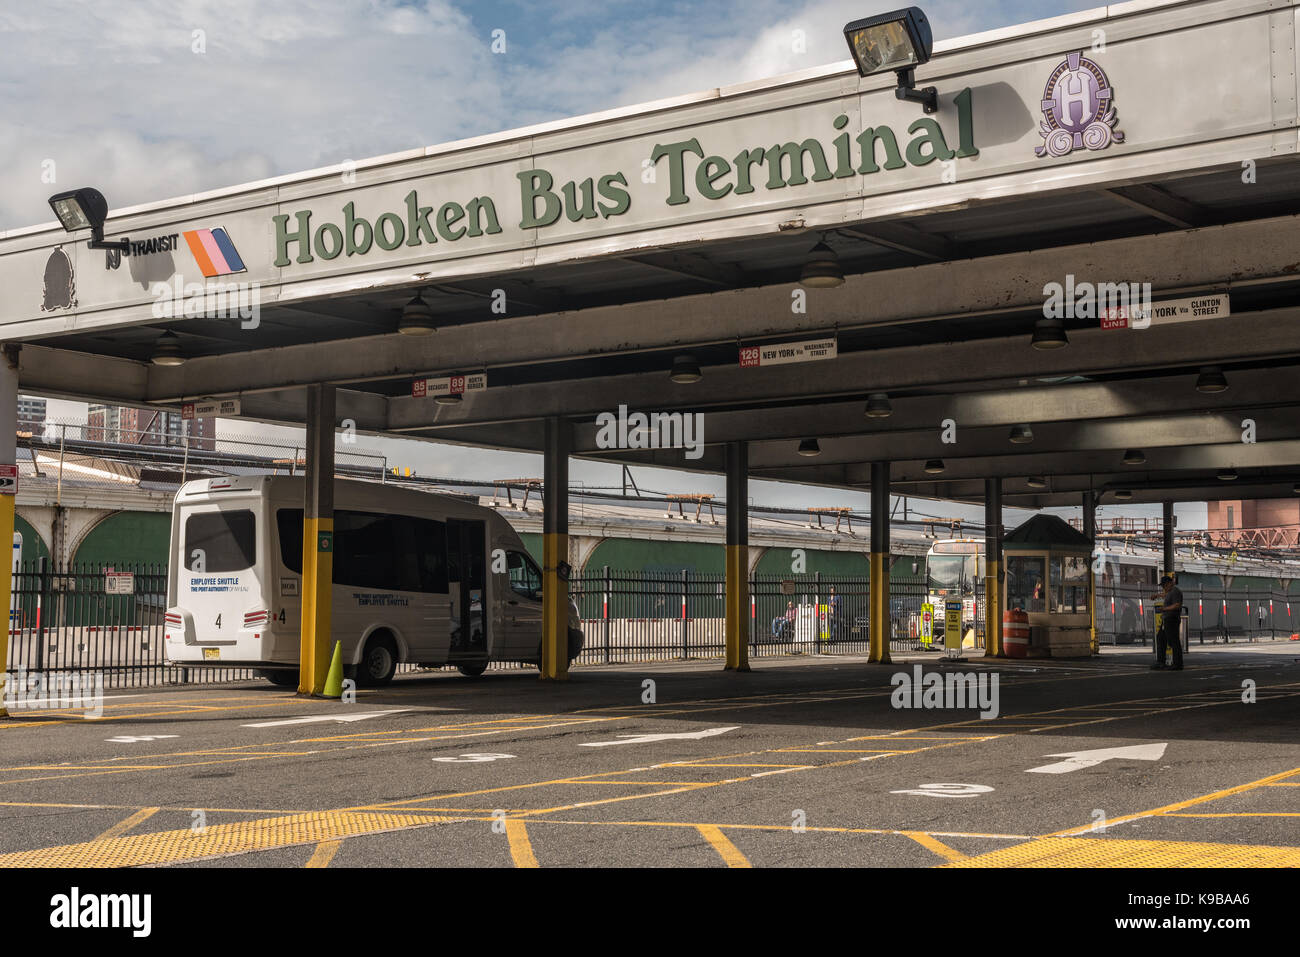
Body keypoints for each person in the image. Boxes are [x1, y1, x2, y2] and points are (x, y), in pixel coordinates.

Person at [1152, 574, 1184, 670]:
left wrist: (1165, 608)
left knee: (1174, 641)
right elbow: (1165, 595)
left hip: (1172, 619)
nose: (1163, 587)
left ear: (1170, 583)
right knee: (1161, 638)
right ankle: (1161, 662)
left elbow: (1177, 605)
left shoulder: (1175, 592)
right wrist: (1157, 595)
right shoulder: (1170, 591)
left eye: (1164, 585)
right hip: (1166, 619)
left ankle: (1177, 664)